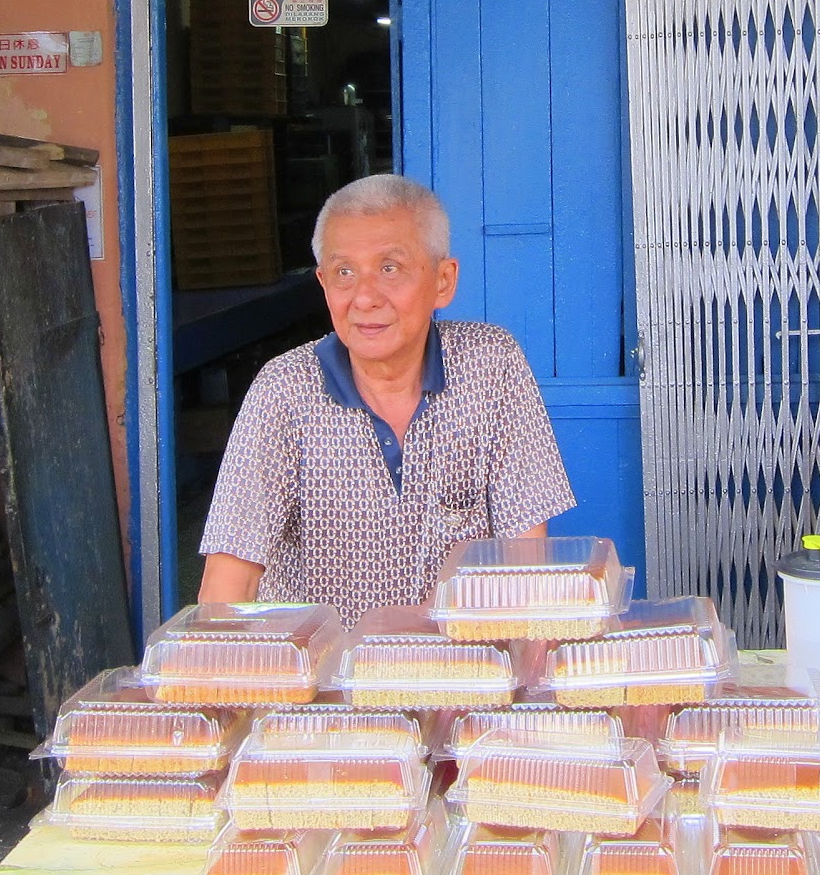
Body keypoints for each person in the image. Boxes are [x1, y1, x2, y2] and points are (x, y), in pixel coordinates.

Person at [198, 173, 575, 621]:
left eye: (389, 268)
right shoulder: (284, 391)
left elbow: (525, 560)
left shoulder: (491, 366)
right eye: (344, 273)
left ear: (443, 281)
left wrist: (516, 676)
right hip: (328, 678)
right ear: (322, 284)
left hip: (460, 671)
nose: (364, 297)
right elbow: (230, 574)